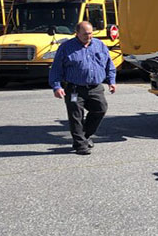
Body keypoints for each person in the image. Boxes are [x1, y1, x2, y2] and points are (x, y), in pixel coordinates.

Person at [49, 21, 117, 155]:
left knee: (100, 109)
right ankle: (80, 145)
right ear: (77, 33)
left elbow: (109, 64)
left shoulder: (99, 45)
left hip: (95, 87)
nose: (89, 36)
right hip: (75, 88)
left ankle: (84, 137)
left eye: (91, 33)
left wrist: (111, 81)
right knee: (76, 116)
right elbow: (56, 68)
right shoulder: (66, 47)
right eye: (85, 34)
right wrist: (57, 87)